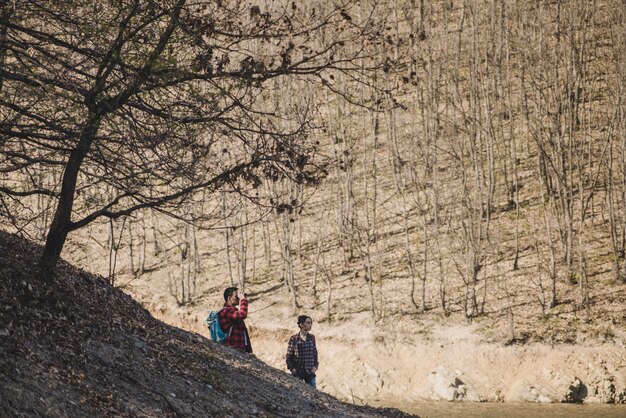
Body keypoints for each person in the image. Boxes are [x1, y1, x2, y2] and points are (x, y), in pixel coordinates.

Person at [286, 315, 318, 388]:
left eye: (311, 323)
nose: (310, 325)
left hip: (310, 372)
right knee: (298, 395)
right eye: (308, 323)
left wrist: (315, 367)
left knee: (313, 395)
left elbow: (315, 353)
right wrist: (292, 369)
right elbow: (289, 356)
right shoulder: (294, 338)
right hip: (298, 372)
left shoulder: (312, 337)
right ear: (301, 325)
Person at [218, 287, 252, 353]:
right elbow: (242, 314)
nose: (238, 298)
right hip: (232, 348)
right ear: (229, 298)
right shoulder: (226, 311)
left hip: (238, 348)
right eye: (236, 296)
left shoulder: (233, 311)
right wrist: (243, 299)